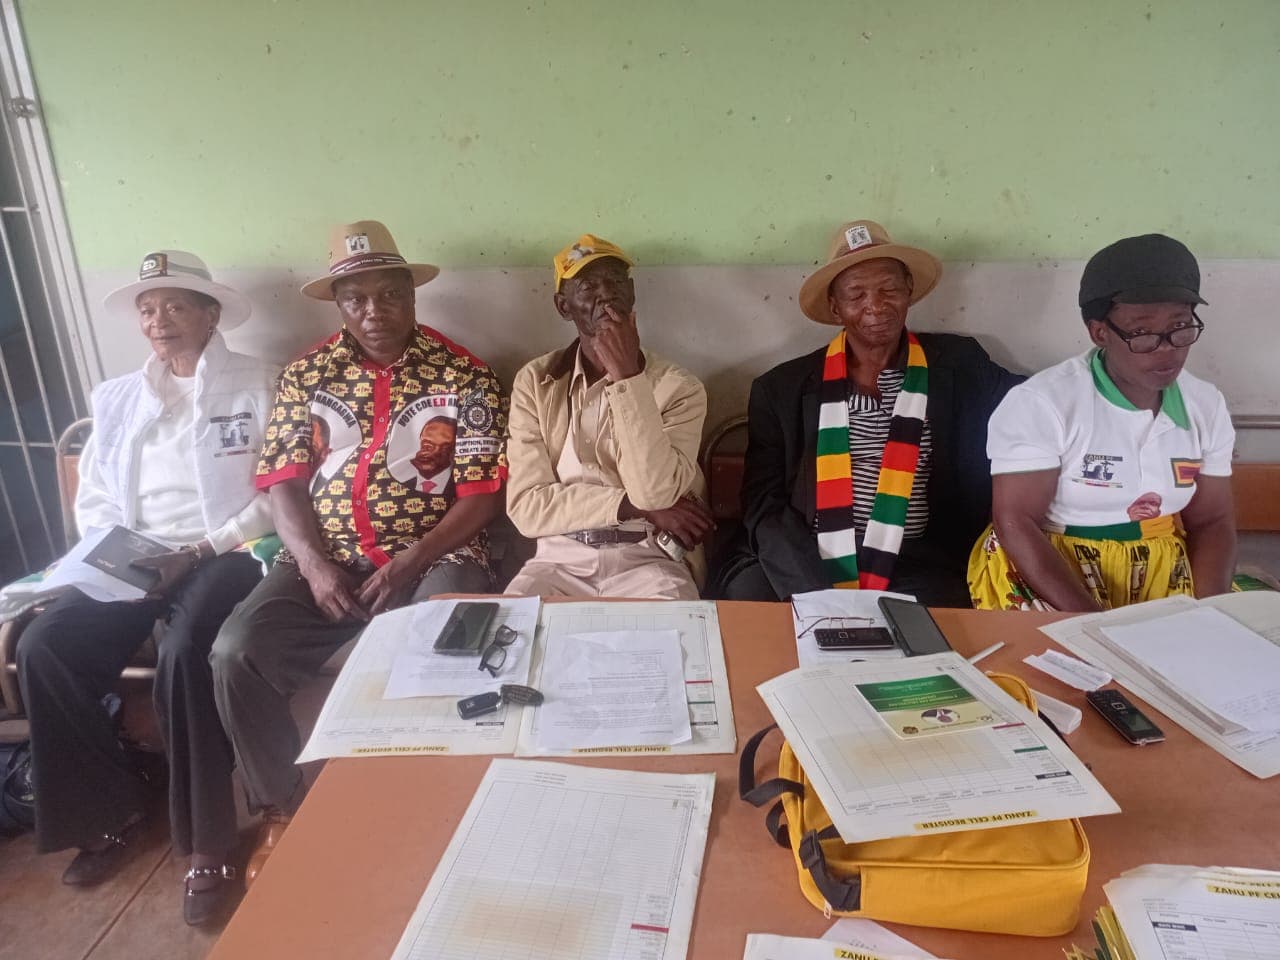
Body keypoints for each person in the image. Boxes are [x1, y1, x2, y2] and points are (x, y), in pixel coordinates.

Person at [210, 220, 507, 885]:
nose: (374, 311)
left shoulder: (466, 374)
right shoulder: (306, 374)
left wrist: (409, 560)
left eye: (388, 294)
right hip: (327, 560)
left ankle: (433, 811)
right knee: (237, 652)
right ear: (340, 305)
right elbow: (282, 479)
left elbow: (484, 495)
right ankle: (282, 810)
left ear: (411, 294)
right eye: (357, 298)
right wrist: (313, 565)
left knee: (456, 642)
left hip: (438, 553)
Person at [15, 250, 276, 924]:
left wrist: (199, 550)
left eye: (176, 305)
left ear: (210, 314)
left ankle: (209, 844)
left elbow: (278, 494)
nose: (159, 320)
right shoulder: (117, 396)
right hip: (137, 555)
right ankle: (109, 813)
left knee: (188, 649)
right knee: (47, 646)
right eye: (148, 308)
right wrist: (118, 555)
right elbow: (96, 496)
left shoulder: (259, 382)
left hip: (225, 551)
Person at [711, 220, 1021, 606]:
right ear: (835, 307)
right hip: (809, 557)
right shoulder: (782, 389)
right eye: (856, 294)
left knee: (940, 629)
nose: (875, 306)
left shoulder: (958, 366)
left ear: (909, 291)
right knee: (752, 605)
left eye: (889, 289)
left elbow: (1034, 402)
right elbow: (764, 504)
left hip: (919, 562)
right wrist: (813, 590)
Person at [969, 233, 1236, 611]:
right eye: (1142, 333)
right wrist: (1093, 626)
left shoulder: (1205, 405)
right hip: (1053, 576)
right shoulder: (1044, 403)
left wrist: (1210, 614)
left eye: (1180, 326)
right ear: (1100, 332)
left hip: (1161, 572)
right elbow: (1016, 521)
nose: (1167, 348)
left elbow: (1212, 521)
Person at [505, 234, 712, 599]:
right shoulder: (536, 382)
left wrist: (628, 378)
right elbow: (527, 508)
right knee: (509, 641)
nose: (606, 294)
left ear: (631, 292)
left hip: (649, 558)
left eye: (615, 282)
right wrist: (633, 506)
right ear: (563, 306)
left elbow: (655, 491)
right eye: (588, 286)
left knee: (677, 642)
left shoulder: (679, 387)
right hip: (557, 562)